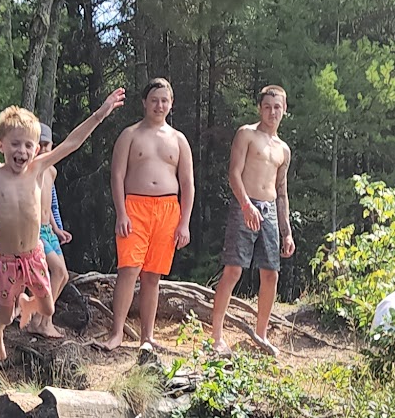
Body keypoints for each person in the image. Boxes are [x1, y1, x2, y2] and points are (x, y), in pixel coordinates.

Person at [0, 72, 124, 362]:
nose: (22, 151)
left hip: (34, 255)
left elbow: (72, 143)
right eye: (15, 144)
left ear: (36, 149)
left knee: (48, 308)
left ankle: (29, 303)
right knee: (6, 315)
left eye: (28, 146)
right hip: (7, 260)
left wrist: (100, 113)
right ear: (1, 145)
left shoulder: (37, 169)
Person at [100, 78, 194, 353]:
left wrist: (185, 223)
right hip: (135, 208)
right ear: (144, 102)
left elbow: (188, 183)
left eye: (164, 100)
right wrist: (121, 213)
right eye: (154, 100)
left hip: (168, 210)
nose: (159, 105)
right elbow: (117, 176)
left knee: (152, 276)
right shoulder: (130, 135)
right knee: (129, 270)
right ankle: (117, 332)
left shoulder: (179, 140)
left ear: (171, 103)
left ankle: (147, 337)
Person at [210, 85, 294, 356]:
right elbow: (234, 174)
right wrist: (246, 205)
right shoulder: (246, 134)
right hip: (244, 204)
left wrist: (287, 232)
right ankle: (216, 336)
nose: (272, 112)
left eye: (277, 107)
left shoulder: (283, 149)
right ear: (260, 108)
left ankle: (261, 335)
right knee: (233, 270)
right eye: (267, 106)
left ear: (284, 109)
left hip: (269, 210)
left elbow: (282, 191)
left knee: (270, 273)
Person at [0, 122, 72, 336]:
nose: (42, 150)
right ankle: (39, 321)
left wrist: (58, 228)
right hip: (34, 235)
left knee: (63, 275)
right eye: (39, 145)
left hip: (48, 230)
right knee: (56, 272)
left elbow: (50, 205)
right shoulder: (27, 171)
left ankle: (38, 314)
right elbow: (2, 194)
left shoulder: (50, 171)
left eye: (46, 146)